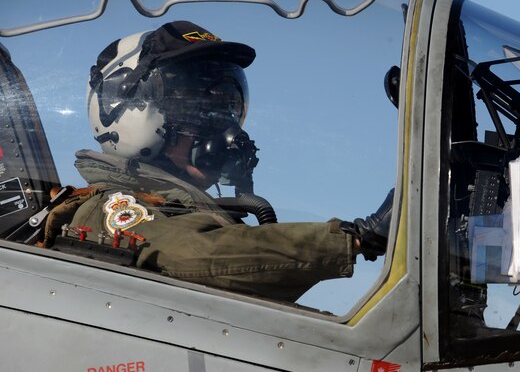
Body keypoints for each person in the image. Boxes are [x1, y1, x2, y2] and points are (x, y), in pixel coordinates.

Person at [40, 21, 392, 302]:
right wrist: (359, 236)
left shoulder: (187, 211)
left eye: (227, 108)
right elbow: (197, 255)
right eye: (200, 111)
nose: (225, 129)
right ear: (135, 115)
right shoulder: (111, 211)